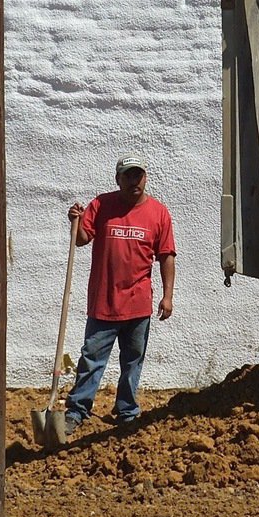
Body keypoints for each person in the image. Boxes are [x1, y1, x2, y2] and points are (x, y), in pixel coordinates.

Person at [63, 154, 176, 431]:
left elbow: (166, 256)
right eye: (128, 175)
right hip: (104, 302)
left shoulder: (159, 213)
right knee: (91, 359)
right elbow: (82, 240)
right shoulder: (102, 205)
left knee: (132, 362)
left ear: (145, 178)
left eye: (138, 175)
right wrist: (75, 221)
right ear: (118, 179)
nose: (134, 181)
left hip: (138, 304)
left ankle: (127, 411)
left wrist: (168, 296)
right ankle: (77, 410)